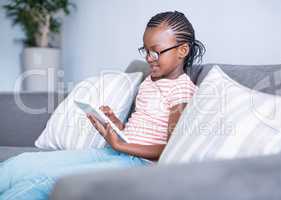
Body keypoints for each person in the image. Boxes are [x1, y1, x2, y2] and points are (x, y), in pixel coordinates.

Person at [0, 11, 205, 199]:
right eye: (146, 50)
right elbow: (142, 131)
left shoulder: (182, 91)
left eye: (156, 52)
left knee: (45, 182)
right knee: (21, 164)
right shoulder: (150, 81)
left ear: (182, 50)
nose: (148, 58)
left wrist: (120, 145)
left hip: (139, 165)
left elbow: (172, 148)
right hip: (116, 153)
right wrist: (116, 125)